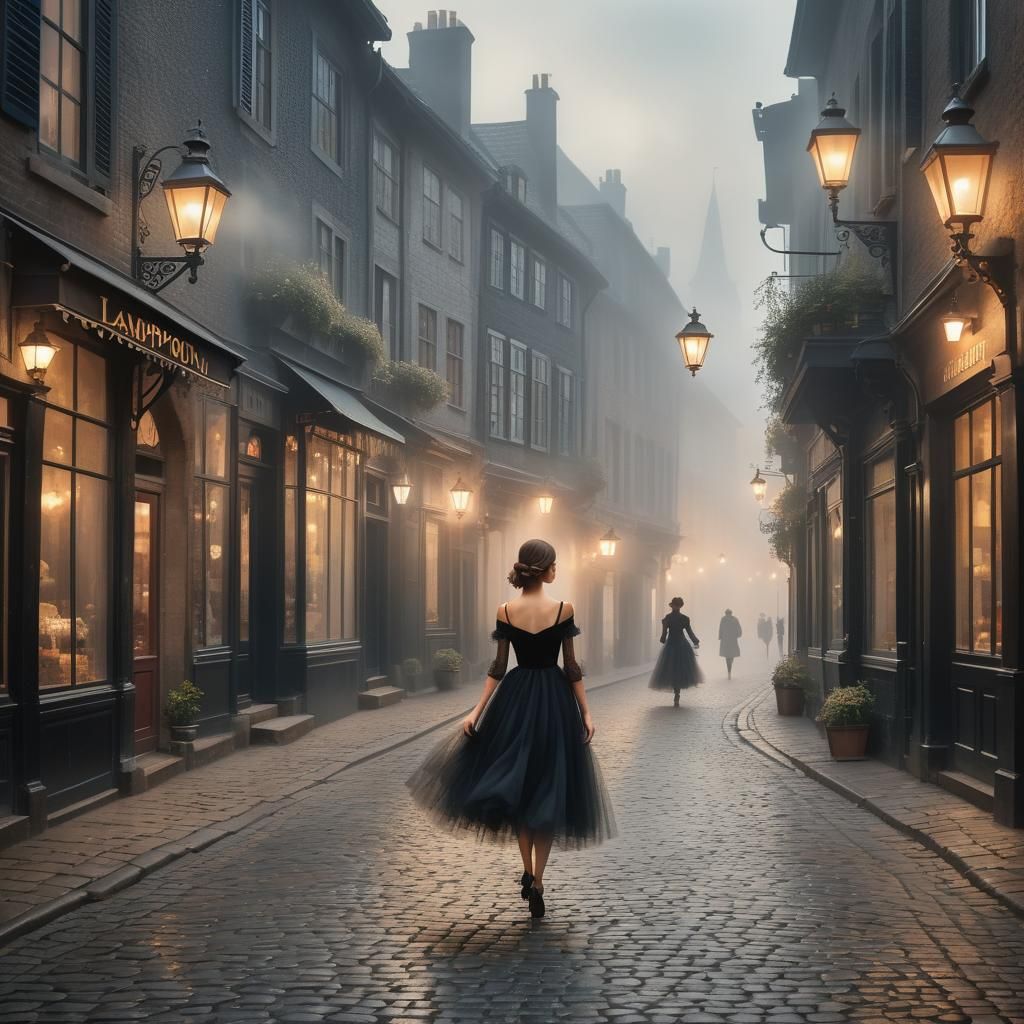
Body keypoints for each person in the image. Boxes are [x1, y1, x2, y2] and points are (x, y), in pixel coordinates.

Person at [406, 539, 615, 920]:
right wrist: (585, 712)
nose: (557, 570)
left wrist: (476, 711)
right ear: (544, 568)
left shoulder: (504, 610)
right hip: (553, 701)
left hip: (515, 700)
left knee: (519, 786)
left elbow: (498, 668)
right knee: (548, 787)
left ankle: (525, 867)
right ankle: (538, 881)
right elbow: (571, 668)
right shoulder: (564, 609)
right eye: (554, 563)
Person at [649, 597, 703, 706]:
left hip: (672, 645)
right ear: (680, 606)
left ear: (673, 606)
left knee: (672, 669)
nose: (675, 607)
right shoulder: (684, 619)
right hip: (682, 645)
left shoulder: (668, 618)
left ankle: (676, 692)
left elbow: (663, 638)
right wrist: (695, 641)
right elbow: (689, 632)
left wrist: (663, 628)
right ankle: (677, 693)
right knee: (680, 669)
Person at [718, 609, 742, 680]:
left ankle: (729, 670)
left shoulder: (723, 619)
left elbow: (720, 628)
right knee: (731, 655)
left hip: (726, 640)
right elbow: (739, 629)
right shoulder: (734, 619)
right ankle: (729, 669)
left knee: (727, 655)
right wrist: (738, 635)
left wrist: (720, 636)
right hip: (732, 640)